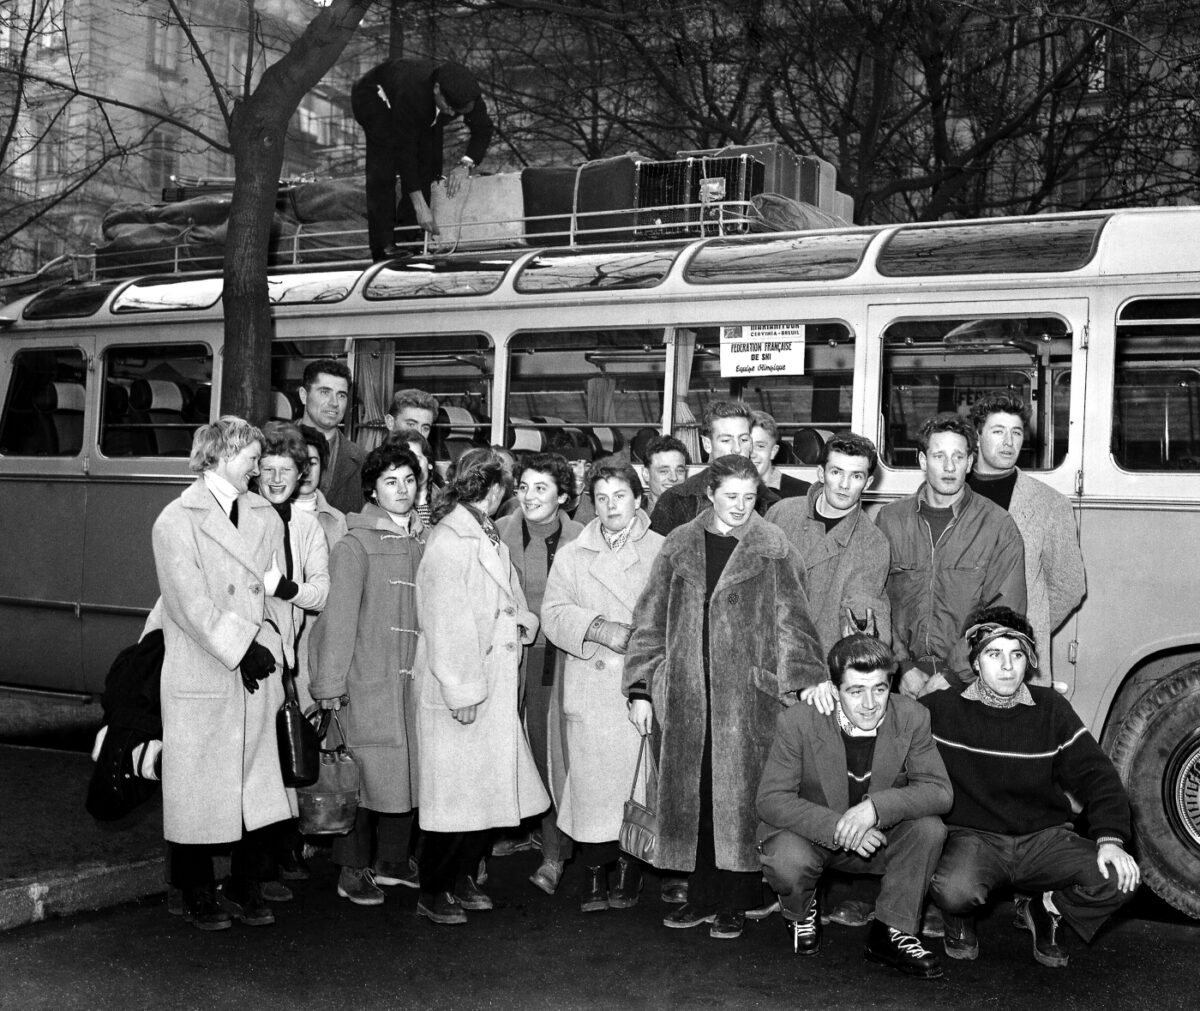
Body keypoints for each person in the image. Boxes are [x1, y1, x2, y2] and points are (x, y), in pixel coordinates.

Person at [624, 454, 825, 940]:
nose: (739, 507)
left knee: (738, 799)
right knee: (694, 795)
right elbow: (649, 623)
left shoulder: (773, 547)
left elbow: (794, 624)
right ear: (710, 494)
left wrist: (804, 679)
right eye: (730, 496)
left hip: (747, 698)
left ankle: (737, 899)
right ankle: (700, 895)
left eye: (749, 498)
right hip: (686, 694)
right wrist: (640, 688)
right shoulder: (678, 545)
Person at [924, 606, 1139, 968]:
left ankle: (1046, 906)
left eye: (1017, 655)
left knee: (1121, 877)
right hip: (975, 840)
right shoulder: (939, 709)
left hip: (1043, 839)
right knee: (954, 890)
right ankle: (956, 915)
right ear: (976, 662)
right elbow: (883, 727)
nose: (1007, 667)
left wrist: (1111, 840)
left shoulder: (1050, 708)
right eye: (994, 654)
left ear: (1029, 660)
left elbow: (1098, 775)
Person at [150, 416, 293, 931]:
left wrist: (274, 647)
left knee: (254, 781)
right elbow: (187, 603)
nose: (260, 469)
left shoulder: (264, 516)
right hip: (203, 665)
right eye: (252, 458)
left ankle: (244, 881)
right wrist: (242, 646)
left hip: (256, 668)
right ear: (220, 454)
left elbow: (274, 591)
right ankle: (191, 889)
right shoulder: (175, 520)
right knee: (196, 786)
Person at [756, 635, 951, 978]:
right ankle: (801, 911)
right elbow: (771, 800)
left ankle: (892, 932)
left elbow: (939, 791)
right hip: (813, 838)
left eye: (879, 689)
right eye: (855, 691)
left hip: (880, 838)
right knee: (786, 856)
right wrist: (842, 829)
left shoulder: (912, 716)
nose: (869, 704)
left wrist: (874, 809)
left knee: (929, 828)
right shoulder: (800, 721)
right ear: (833, 688)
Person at [413, 451, 549, 925]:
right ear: (494, 489)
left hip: (490, 683)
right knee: (452, 802)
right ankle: (433, 890)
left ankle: (461, 878)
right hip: (465, 689)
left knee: (480, 797)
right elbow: (444, 624)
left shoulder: (484, 533)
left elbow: (506, 597)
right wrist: (463, 692)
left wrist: (524, 621)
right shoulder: (452, 540)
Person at [541, 461, 665, 909]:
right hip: (591, 687)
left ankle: (629, 873)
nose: (611, 506)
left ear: (638, 499)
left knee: (633, 787)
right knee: (593, 793)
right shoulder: (574, 552)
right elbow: (552, 614)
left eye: (620, 496)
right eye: (601, 497)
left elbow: (671, 621)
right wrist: (598, 628)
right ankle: (595, 874)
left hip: (639, 690)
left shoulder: (661, 551)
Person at [309, 443, 427, 907]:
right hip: (367, 680)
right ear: (372, 490)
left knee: (405, 772)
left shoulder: (423, 539)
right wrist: (329, 686)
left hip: (412, 679)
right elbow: (336, 622)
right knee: (358, 776)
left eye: (409, 480)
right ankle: (351, 869)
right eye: (390, 481)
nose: (401, 490)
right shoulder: (354, 545)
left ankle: (393, 862)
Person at [875, 412, 1026, 697]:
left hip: (969, 681)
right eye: (938, 456)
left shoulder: (997, 526)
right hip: (900, 681)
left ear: (969, 463)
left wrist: (953, 674)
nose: (948, 466)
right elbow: (876, 599)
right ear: (922, 461)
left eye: (958, 457)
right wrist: (901, 665)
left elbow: (1005, 613)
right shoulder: (890, 521)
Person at [251, 422, 332, 896]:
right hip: (247, 656)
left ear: (302, 474)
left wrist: (284, 588)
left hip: (287, 661)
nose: (277, 479)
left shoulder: (306, 527)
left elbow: (320, 594)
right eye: (268, 469)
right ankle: (257, 868)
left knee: (283, 757)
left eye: (287, 470)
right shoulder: (241, 517)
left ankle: (279, 853)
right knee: (253, 762)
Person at [494, 453, 583, 877]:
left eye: (541, 488)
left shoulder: (583, 539)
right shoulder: (495, 535)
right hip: (508, 656)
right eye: (524, 487)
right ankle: (499, 835)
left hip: (560, 659)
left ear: (563, 496)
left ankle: (554, 852)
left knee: (552, 754)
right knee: (506, 747)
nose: (529, 497)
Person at [968, 395, 1085, 682]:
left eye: (1016, 433)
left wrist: (1024, 630)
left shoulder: (1050, 504)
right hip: (953, 661)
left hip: (1018, 662)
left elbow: (1069, 585)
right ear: (977, 436)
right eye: (998, 431)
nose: (1008, 442)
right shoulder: (951, 493)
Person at [351, 58, 494, 259]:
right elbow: (405, 152)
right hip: (373, 96)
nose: (452, 114)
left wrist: (466, 164)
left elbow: (483, 129)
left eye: (458, 112)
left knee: (430, 164)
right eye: (450, 108)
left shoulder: (467, 96)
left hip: (421, 108)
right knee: (384, 165)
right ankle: (382, 245)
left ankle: (408, 237)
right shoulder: (412, 94)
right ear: (437, 89)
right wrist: (421, 208)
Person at [766, 433, 891, 655]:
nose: (844, 485)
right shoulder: (781, 514)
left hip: (822, 663)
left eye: (856, 476)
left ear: (868, 482)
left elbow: (860, 607)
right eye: (836, 472)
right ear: (821, 473)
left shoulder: (872, 543)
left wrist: (860, 635)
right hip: (767, 650)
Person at [649, 401, 777, 536]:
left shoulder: (771, 505)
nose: (737, 449)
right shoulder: (676, 501)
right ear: (707, 444)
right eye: (726, 440)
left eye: (744, 440)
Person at [298, 359, 365, 516]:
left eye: (341, 395)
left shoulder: (363, 461)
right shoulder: (271, 448)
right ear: (303, 395)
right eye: (324, 392)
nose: (334, 403)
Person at [295, 424, 349, 549]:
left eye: (312, 463)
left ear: (322, 467)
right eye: (299, 463)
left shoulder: (338, 521)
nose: (306, 471)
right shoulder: (271, 515)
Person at [750, 411, 810, 499]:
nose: (752, 454)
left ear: (773, 452)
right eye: (747, 446)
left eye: (760, 446)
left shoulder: (802, 492)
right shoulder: (727, 491)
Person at [391, 429, 442, 527]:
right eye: (404, 461)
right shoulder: (391, 504)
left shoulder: (447, 502)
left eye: (416, 459)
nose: (412, 466)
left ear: (429, 463)